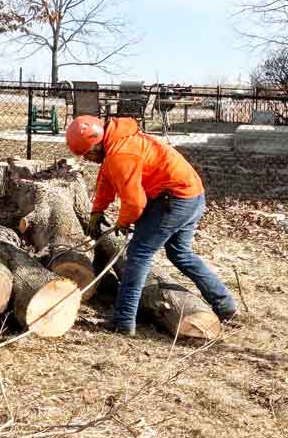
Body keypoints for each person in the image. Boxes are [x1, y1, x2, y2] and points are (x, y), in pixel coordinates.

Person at [66, 114, 238, 335]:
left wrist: (124, 221)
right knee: (181, 254)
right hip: (191, 195)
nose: (88, 159)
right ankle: (226, 306)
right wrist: (97, 209)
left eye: (88, 154)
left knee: (138, 255)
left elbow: (135, 202)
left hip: (174, 201)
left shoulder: (121, 153)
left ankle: (123, 320)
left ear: (96, 142)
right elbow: (107, 179)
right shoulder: (118, 141)